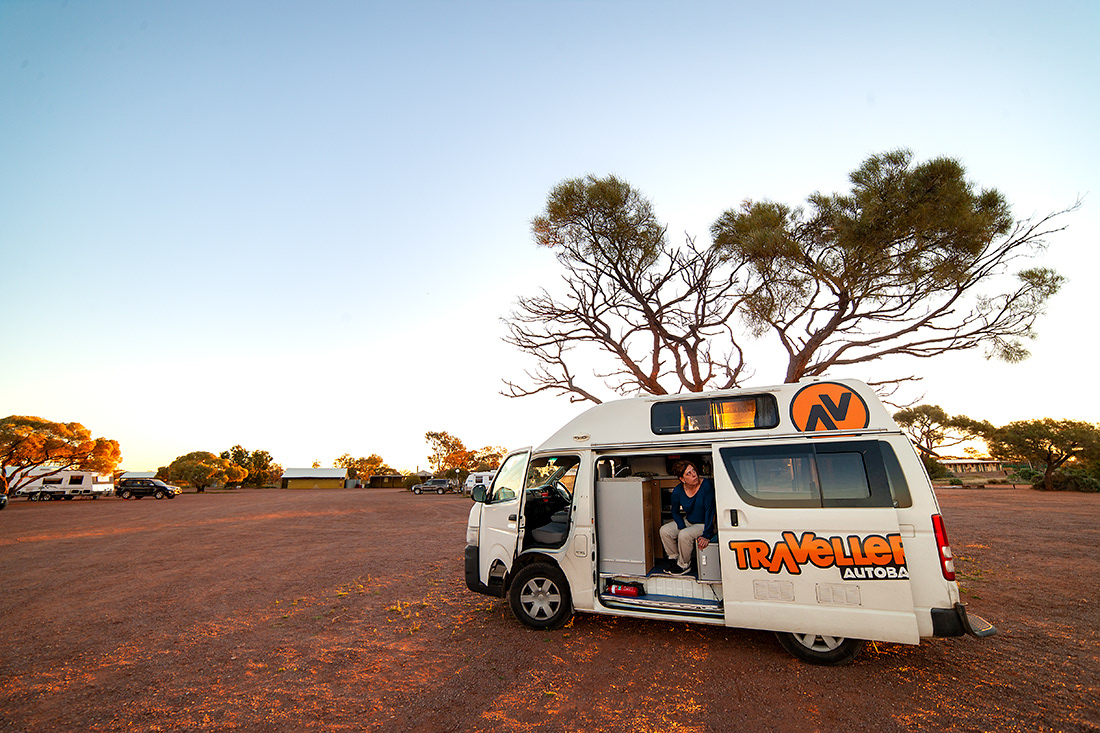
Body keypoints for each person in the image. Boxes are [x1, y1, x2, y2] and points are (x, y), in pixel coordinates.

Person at [659, 460, 717, 575]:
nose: (694, 475)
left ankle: (684, 565)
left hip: (705, 523)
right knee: (664, 531)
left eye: (693, 471)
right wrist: (681, 525)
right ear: (682, 479)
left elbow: (710, 512)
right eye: (688, 474)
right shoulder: (678, 491)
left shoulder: (706, 486)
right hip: (689, 521)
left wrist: (707, 534)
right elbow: (675, 512)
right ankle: (674, 558)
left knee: (684, 535)